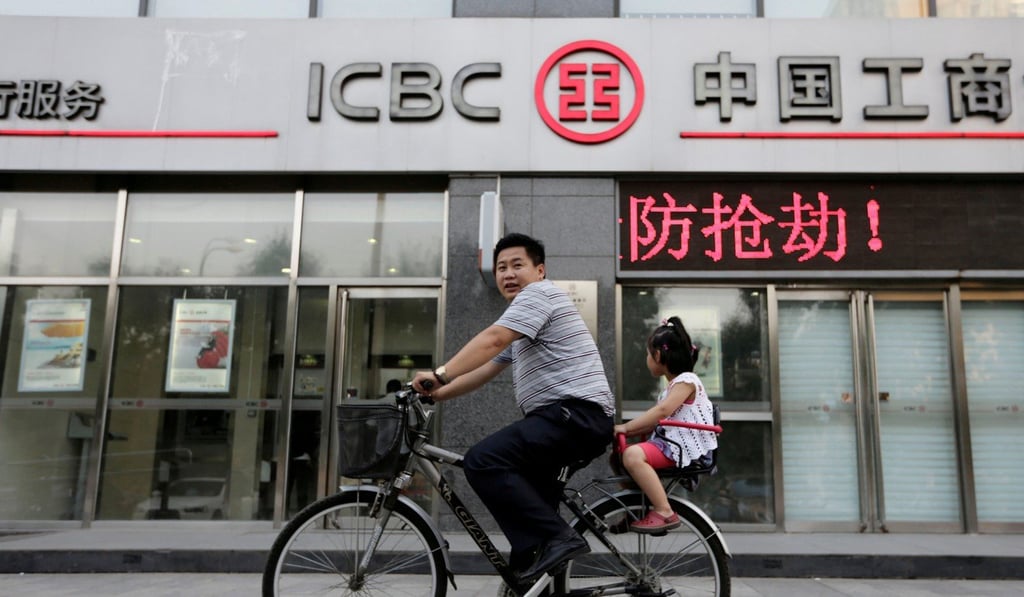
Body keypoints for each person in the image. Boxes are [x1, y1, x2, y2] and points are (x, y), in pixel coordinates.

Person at [412, 232, 614, 584]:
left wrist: (439, 373)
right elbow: (484, 370)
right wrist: (435, 393)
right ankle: (541, 566)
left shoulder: (540, 295)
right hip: (565, 420)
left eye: (517, 265)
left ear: (540, 270)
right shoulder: (524, 321)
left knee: (484, 460)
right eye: (501, 267)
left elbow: (492, 339)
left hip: (574, 416)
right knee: (529, 540)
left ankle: (560, 537)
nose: (507, 274)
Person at [613, 316, 718, 533]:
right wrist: (625, 430)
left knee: (632, 456)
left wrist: (626, 427)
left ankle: (663, 510)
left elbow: (662, 412)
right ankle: (638, 508)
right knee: (618, 457)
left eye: (648, 354)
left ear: (658, 355)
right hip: (670, 443)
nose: (647, 358)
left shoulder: (687, 381)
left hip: (679, 447)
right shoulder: (674, 386)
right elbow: (658, 422)